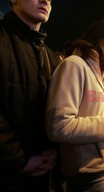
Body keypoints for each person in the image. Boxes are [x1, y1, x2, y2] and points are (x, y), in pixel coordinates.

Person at [46, 20, 104, 192]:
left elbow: (100, 120)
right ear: (99, 38)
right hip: (88, 168)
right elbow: (60, 126)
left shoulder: (101, 77)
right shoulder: (74, 65)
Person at [0, 0, 60, 191]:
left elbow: (58, 111)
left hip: (44, 173)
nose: (45, 1)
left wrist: (55, 150)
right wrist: (19, 160)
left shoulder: (51, 57)